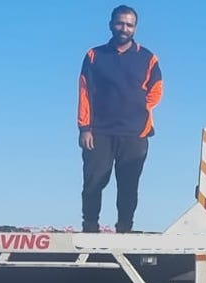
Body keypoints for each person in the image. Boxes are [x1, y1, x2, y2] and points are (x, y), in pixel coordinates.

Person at [77, 4, 163, 233]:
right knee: (94, 181)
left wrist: (138, 107)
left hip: (135, 132)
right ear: (111, 25)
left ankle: (124, 227)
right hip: (98, 132)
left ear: (135, 28)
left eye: (129, 24)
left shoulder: (148, 58)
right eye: (120, 23)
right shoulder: (94, 55)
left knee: (128, 185)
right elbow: (84, 92)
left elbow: (157, 90)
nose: (124, 28)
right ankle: (90, 226)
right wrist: (84, 127)